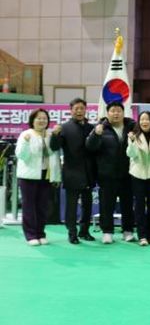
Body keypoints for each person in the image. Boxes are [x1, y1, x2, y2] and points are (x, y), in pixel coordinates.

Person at [86, 102, 136, 244]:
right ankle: (107, 232)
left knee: (127, 205)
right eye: (113, 111)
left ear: (123, 112)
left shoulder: (131, 127)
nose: (116, 113)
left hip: (128, 174)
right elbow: (90, 147)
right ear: (107, 113)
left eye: (119, 111)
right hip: (107, 174)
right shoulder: (100, 128)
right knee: (106, 205)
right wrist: (96, 134)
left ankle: (128, 231)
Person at [49, 98, 96, 244]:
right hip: (71, 172)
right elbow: (54, 147)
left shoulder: (92, 128)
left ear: (86, 110)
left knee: (87, 205)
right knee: (72, 206)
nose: (79, 111)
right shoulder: (64, 128)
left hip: (88, 173)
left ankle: (84, 231)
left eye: (82, 108)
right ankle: (72, 233)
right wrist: (55, 135)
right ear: (71, 110)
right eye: (76, 108)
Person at [16, 108, 62, 245]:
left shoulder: (50, 135)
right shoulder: (26, 134)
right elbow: (21, 155)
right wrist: (25, 142)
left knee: (42, 206)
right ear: (32, 120)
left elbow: (55, 156)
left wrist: (56, 176)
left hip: (45, 175)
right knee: (29, 206)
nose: (42, 121)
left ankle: (41, 233)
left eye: (44, 118)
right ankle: (31, 235)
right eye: (39, 118)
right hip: (28, 176)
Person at [126, 111, 150, 246]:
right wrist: (132, 142)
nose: (144, 122)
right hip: (138, 175)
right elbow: (131, 154)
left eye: (147, 119)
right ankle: (142, 235)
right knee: (140, 206)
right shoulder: (134, 136)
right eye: (142, 119)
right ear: (139, 122)